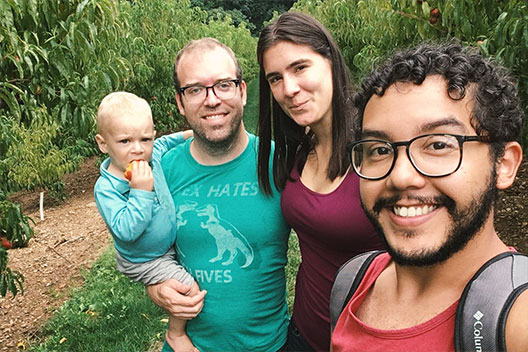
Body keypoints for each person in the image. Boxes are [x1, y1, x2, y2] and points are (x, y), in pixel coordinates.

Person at [331, 42, 526, 351]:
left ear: (503, 164)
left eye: (438, 145)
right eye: (380, 150)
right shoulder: (352, 284)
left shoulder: (516, 322)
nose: (401, 177)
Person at [145, 38, 291, 352]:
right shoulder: (163, 171)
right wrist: (154, 284)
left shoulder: (279, 162)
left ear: (243, 90)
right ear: (180, 102)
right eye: (195, 89)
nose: (212, 100)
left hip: (269, 345)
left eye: (223, 84)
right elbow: (146, 247)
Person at [256, 12, 384, 351]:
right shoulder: (299, 147)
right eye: (275, 78)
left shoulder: (378, 150)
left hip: (369, 341)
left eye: (300, 68)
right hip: (304, 333)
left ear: (329, 60)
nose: (289, 89)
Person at [93, 92, 201, 352]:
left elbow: (166, 142)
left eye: (145, 138)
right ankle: (176, 333)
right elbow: (125, 231)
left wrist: (192, 134)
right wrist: (141, 191)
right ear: (103, 143)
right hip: (146, 259)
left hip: (164, 248)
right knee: (189, 288)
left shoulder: (153, 155)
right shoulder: (107, 188)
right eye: (125, 141)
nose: (138, 148)